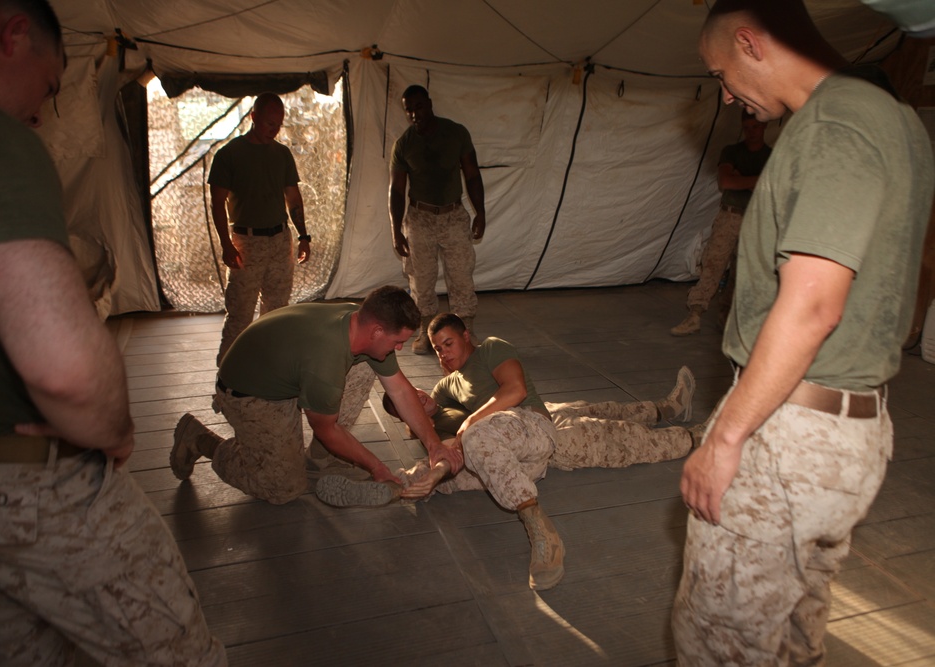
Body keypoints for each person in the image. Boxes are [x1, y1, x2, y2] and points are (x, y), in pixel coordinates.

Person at [0, 1, 226, 664]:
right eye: (47, 86)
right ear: (14, 35)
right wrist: (114, 427)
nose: (40, 112)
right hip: (40, 493)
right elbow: (64, 366)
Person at [674, 1, 935, 664]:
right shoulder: (897, 118)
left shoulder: (837, 120)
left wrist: (726, 435)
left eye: (721, 73)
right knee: (794, 632)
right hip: (850, 428)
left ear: (749, 41)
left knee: (719, 639)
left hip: (789, 434)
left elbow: (815, 302)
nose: (725, 93)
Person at [320, 314, 571, 590]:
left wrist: (468, 423)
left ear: (465, 336)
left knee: (476, 435)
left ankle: (542, 532)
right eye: (438, 349)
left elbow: (516, 390)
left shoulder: (491, 348)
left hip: (531, 428)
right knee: (443, 471)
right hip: (510, 467)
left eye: (448, 343)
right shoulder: (447, 387)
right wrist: (437, 470)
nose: (443, 352)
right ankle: (395, 487)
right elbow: (447, 443)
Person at [171, 286, 463, 505]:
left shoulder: (359, 323)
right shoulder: (326, 360)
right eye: (397, 341)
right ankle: (199, 438)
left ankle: (320, 461)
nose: (399, 348)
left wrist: (434, 444)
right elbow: (326, 428)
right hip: (249, 394)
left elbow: (399, 389)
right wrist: (377, 467)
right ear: (376, 330)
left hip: (286, 372)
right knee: (283, 487)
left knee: (367, 366)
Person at [378, 366, 702, 471]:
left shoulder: (443, 392)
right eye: (410, 404)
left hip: (535, 412)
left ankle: (665, 410)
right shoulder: (436, 434)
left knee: (599, 408)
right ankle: (696, 439)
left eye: (413, 391)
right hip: (536, 439)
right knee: (614, 437)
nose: (419, 398)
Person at [208, 92, 312, 365]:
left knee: (277, 312)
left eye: (278, 124)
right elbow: (217, 204)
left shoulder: (282, 154)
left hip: (279, 240)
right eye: (269, 123)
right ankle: (227, 376)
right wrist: (226, 245)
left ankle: (270, 369)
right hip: (246, 241)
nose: (274, 129)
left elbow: (293, 199)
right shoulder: (229, 155)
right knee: (240, 313)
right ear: (253, 117)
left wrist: (303, 236)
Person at [389, 85, 486, 354]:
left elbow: (472, 175)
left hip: (453, 215)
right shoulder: (404, 144)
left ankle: (465, 331)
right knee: (421, 280)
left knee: (461, 276)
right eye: (409, 109)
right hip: (420, 218)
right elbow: (396, 190)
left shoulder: (456, 133)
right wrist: (396, 230)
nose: (414, 114)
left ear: (429, 104)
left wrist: (481, 212)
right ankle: (427, 333)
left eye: (418, 107)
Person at [670, 110, 771, 336]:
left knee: (742, 272)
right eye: (748, 128)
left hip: (756, 218)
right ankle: (694, 314)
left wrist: (741, 179)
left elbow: (773, 188)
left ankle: (727, 320)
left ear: (764, 127)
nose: (752, 132)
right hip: (731, 215)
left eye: (756, 127)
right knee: (713, 264)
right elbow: (726, 182)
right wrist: (757, 180)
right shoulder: (733, 152)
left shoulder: (772, 156)